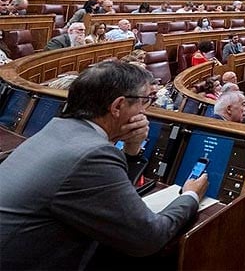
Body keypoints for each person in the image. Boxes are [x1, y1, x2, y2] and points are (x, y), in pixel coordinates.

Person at [0, 62, 207, 269]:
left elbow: (110, 196)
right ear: (117, 106)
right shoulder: (92, 154)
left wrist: (132, 150)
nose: (147, 110)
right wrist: (190, 197)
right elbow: (149, 238)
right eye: (145, 101)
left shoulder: (57, 130)